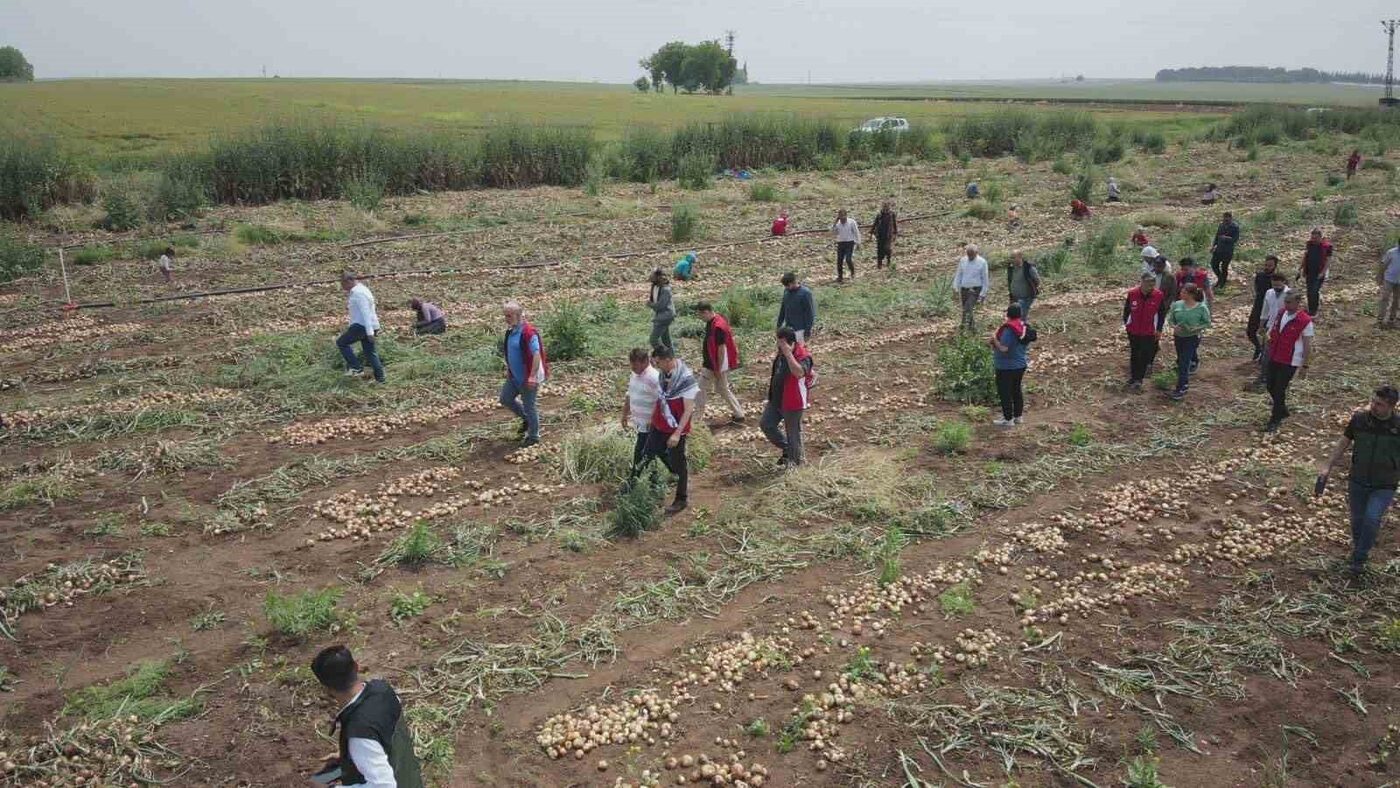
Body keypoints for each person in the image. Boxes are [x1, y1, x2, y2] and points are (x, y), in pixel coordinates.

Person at [310, 645, 423, 788]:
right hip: (407, 776)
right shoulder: (382, 689)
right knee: (320, 778)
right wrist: (348, 756)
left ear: (325, 688)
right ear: (357, 667)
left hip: (393, 782)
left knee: (317, 784)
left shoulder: (360, 732)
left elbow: (385, 785)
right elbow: (385, 732)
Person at [1318, 385, 1400, 579]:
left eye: (1379, 404)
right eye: (1373, 401)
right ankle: (1360, 547)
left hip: (1384, 483)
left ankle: (1359, 558)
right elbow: (1344, 442)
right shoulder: (1360, 420)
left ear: (1391, 406)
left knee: (1372, 518)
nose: (1373, 406)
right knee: (1357, 520)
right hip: (1358, 479)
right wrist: (1328, 465)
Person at [641, 344, 698, 514]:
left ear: (668, 360)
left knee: (679, 463)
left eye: (658, 363)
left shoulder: (686, 379)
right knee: (649, 452)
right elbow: (661, 398)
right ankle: (654, 486)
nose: (656, 366)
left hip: (675, 427)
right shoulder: (663, 374)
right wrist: (653, 418)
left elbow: (688, 410)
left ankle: (681, 498)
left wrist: (677, 434)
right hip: (660, 423)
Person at [760, 327, 814, 467]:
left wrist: (789, 354)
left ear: (790, 343)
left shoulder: (803, 355)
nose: (779, 346)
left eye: (781, 343)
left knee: (793, 435)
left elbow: (799, 373)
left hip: (792, 401)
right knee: (766, 424)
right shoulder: (780, 353)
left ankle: (794, 464)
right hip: (776, 400)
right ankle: (787, 449)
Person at [1263, 291, 1313, 432]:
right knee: (1270, 385)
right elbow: (1274, 328)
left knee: (1279, 389)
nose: (1287, 304)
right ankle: (1282, 409)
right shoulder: (1282, 313)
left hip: (1290, 360)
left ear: (1298, 303)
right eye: (1286, 301)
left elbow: (1307, 345)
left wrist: (1305, 365)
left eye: (1290, 302)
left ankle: (1275, 418)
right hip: (1275, 355)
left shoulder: (1305, 321)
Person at [499, 301, 547, 447]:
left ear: (519, 315)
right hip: (514, 377)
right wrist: (510, 371)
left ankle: (534, 436)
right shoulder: (510, 332)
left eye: (510, 315)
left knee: (529, 406)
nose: (507, 318)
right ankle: (526, 419)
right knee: (505, 398)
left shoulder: (528, 332)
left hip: (528, 378)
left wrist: (532, 376)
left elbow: (536, 354)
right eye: (505, 316)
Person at [694, 302, 744, 424]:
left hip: (714, 365)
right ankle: (739, 414)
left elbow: (721, 350)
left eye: (700, 315)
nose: (700, 318)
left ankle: (696, 420)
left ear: (706, 312)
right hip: (714, 364)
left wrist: (719, 369)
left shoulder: (718, 327)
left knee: (700, 389)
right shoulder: (714, 322)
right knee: (722, 389)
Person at [337, 272, 385, 383]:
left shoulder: (359, 293)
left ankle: (356, 368)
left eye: (343, 284)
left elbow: (365, 313)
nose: (342, 287)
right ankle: (381, 379)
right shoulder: (360, 290)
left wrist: (369, 333)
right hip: (366, 325)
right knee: (370, 352)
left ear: (349, 281)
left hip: (363, 326)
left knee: (341, 342)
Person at [1123, 272, 1168, 392]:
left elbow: (1161, 314)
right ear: (1142, 282)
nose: (1150, 286)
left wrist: (1159, 329)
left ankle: (1139, 379)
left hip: (1149, 331)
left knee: (1144, 355)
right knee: (1134, 354)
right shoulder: (1132, 294)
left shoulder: (1158, 295)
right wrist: (1127, 325)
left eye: (1152, 284)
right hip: (1133, 330)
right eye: (1148, 283)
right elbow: (1126, 311)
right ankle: (1133, 377)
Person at [1165, 283, 1211, 401]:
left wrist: (1196, 328)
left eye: (1184, 292)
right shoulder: (1177, 305)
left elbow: (1207, 322)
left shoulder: (1201, 307)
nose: (1181, 294)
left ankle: (1182, 387)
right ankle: (1184, 379)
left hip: (1192, 337)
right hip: (1179, 336)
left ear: (1191, 295)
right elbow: (1171, 320)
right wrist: (1174, 326)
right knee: (1181, 359)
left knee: (1184, 362)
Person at [622, 347, 661, 472]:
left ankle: (633, 482)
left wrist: (654, 419)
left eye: (635, 364)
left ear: (645, 362)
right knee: (651, 455)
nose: (632, 367)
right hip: (640, 423)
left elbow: (661, 400)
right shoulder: (634, 375)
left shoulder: (654, 377)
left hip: (650, 425)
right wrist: (624, 414)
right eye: (631, 363)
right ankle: (655, 480)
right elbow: (629, 394)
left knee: (640, 455)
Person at [990, 303, 1030, 426]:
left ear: (1008, 314)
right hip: (1020, 364)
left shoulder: (1008, 330)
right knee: (1016, 390)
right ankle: (1018, 417)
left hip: (1006, 366)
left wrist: (994, 340)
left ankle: (1008, 419)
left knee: (1005, 392)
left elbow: (1003, 348)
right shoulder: (1023, 327)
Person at [1252, 271, 1291, 387]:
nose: (1276, 288)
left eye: (1278, 286)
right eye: (1274, 286)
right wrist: (1261, 325)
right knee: (1266, 353)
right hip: (1270, 326)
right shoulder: (1269, 293)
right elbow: (1265, 310)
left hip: (1284, 328)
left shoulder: (1289, 294)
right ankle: (1264, 376)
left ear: (1284, 282)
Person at [1245, 256, 1279, 361]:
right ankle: (1258, 348)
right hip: (1258, 306)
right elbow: (1256, 289)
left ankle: (1264, 355)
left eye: (1270, 265)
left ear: (1275, 266)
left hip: (1271, 308)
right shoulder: (1260, 276)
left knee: (1266, 333)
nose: (1267, 267)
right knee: (1250, 331)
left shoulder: (1277, 279)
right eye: (1266, 265)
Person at [953, 244, 990, 333]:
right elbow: (959, 274)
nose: (969, 257)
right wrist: (955, 287)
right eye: (968, 254)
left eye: (971, 255)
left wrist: (983, 294)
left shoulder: (982, 262)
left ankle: (963, 327)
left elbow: (985, 279)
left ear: (976, 253)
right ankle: (973, 329)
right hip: (964, 289)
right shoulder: (963, 260)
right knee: (966, 308)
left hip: (975, 289)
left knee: (968, 308)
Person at [1298, 228, 1333, 317]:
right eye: (1312, 238)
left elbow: (1328, 261)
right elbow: (1305, 256)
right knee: (1309, 291)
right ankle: (1311, 309)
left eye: (1316, 238)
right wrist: (1301, 268)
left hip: (1319, 272)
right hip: (1309, 271)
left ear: (1320, 237)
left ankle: (1314, 310)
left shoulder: (1327, 247)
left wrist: (1323, 272)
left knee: (1314, 290)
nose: (1314, 240)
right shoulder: (1309, 244)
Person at [777, 272, 816, 343]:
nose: (786, 287)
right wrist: (778, 325)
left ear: (793, 282)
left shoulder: (805, 293)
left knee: (800, 352)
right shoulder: (786, 291)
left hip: (800, 329)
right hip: (788, 328)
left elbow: (809, 313)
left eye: (787, 285)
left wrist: (807, 331)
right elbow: (783, 309)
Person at [1209, 211, 1241, 289]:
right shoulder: (1221, 225)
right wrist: (1213, 246)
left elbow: (1235, 239)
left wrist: (1226, 238)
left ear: (1231, 218)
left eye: (1227, 219)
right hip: (1219, 249)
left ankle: (1222, 283)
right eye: (1224, 218)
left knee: (1224, 267)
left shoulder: (1235, 227)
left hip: (1228, 251)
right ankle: (1220, 278)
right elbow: (1217, 236)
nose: (1225, 220)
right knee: (1213, 264)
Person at [1006, 250, 1041, 319]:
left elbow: (1037, 280)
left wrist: (1031, 289)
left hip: (1026, 298)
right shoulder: (1011, 268)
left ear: (1020, 257)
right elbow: (1010, 281)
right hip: (1015, 298)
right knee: (1014, 317)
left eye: (1013, 257)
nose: (1011, 260)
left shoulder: (1028, 268)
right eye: (1011, 258)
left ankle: (1023, 328)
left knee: (1021, 317)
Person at [648, 268, 675, 351]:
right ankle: (671, 356)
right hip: (661, 315)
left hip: (665, 316)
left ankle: (664, 355)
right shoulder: (655, 286)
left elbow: (661, 305)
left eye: (653, 275)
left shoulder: (665, 289)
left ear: (658, 277)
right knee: (666, 340)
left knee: (653, 340)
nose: (650, 276)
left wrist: (650, 304)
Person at [831, 209, 860, 283]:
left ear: (846, 216)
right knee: (839, 260)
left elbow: (856, 232)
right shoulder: (838, 224)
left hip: (850, 242)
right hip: (841, 243)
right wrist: (834, 223)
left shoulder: (851, 222)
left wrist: (858, 242)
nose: (842, 219)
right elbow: (833, 233)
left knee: (848, 259)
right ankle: (840, 276)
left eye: (843, 217)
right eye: (840, 217)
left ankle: (852, 272)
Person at [1377, 242, 1400, 328]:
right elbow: (1383, 265)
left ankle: (1392, 319)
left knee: (1396, 300)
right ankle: (1380, 318)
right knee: (1385, 298)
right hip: (1389, 279)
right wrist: (1379, 276)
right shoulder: (1391, 252)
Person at [871, 201, 898, 269]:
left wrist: (895, 233)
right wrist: (871, 232)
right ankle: (879, 264)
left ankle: (888, 260)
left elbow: (894, 224)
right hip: (880, 235)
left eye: (887, 206)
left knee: (887, 249)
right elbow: (875, 223)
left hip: (888, 235)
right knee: (880, 250)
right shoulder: (879, 215)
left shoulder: (892, 214)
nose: (885, 208)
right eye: (884, 206)